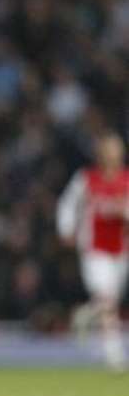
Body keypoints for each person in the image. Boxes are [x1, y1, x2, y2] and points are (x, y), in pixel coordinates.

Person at [57, 133, 129, 372]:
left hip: (121, 250)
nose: (113, 154)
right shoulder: (86, 179)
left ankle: (86, 314)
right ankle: (114, 354)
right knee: (107, 299)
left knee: (109, 301)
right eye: (109, 149)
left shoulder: (127, 180)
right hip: (93, 249)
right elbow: (67, 203)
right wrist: (66, 228)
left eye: (116, 149)